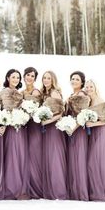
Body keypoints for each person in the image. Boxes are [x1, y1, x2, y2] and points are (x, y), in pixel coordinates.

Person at [0, 69, 28, 200]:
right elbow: (6, 109)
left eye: (18, 77)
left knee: (20, 156)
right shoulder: (5, 92)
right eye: (13, 77)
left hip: (20, 127)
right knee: (12, 155)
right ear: (8, 78)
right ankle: (12, 189)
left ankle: (20, 187)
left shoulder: (19, 93)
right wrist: (14, 118)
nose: (16, 79)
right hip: (10, 127)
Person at [41, 71, 67, 200]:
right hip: (46, 130)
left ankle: (58, 190)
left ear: (53, 80)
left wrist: (48, 121)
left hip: (54, 129)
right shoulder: (44, 93)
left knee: (55, 157)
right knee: (48, 157)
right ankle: (49, 188)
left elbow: (61, 113)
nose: (46, 80)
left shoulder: (54, 93)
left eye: (49, 78)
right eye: (44, 78)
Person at [66, 70, 90, 201]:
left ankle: (81, 192)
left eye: (77, 79)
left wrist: (73, 128)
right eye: (72, 78)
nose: (74, 81)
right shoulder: (72, 94)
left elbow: (82, 115)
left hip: (78, 131)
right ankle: (74, 191)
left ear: (82, 82)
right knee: (73, 159)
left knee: (79, 159)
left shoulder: (81, 94)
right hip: (70, 130)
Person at [22, 67, 42, 199]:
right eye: (28, 75)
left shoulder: (36, 92)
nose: (30, 77)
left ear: (35, 78)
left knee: (34, 155)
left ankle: (37, 189)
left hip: (34, 125)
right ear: (24, 76)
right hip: (24, 126)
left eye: (32, 76)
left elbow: (38, 109)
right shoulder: (21, 92)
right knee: (26, 157)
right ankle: (27, 187)